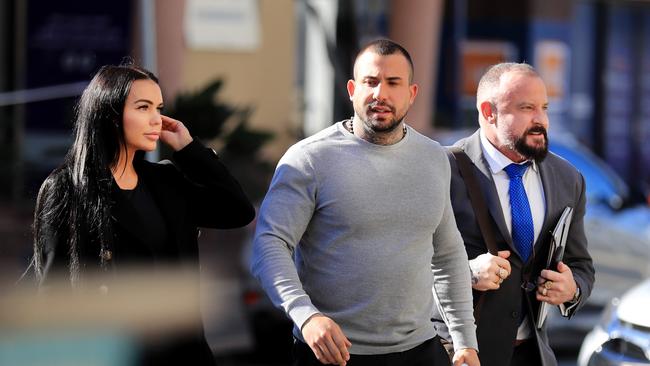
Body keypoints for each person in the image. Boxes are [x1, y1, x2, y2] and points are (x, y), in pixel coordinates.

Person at [251, 39, 479, 366]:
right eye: (370, 82)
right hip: (333, 354)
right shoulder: (310, 159)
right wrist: (306, 316)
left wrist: (464, 341)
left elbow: (447, 253)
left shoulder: (434, 158)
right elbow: (269, 243)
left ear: (412, 93)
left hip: (421, 351)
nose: (380, 94)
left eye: (393, 83)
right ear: (352, 89)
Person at [31, 63, 255, 366]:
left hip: (181, 351)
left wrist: (189, 150)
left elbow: (236, 210)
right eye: (143, 107)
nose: (156, 119)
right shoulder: (67, 188)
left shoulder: (166, 181)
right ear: (109, 113)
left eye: (159, 107)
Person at [433, 62, 595, 366]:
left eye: (544, 108)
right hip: (458, 355)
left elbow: (581, 266)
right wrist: (465, 273)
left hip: (532, 355)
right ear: (488, 112)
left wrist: (572, 289)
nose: (541, 120)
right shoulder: (441, 170)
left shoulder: (568, 178)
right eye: (526, 108)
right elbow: (402, 269)